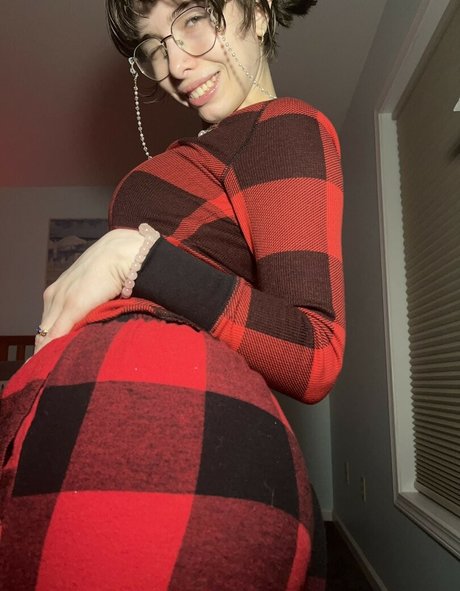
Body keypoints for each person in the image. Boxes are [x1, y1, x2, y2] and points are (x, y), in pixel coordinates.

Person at [0, 0, 344, 589]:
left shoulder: (283, 125)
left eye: (191, 18)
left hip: (165, 436)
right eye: (155, 46)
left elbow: (315, 352)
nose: (175, 65)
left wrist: (136, 257)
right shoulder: (209, 150)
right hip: (101, 421)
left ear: (260, 12)